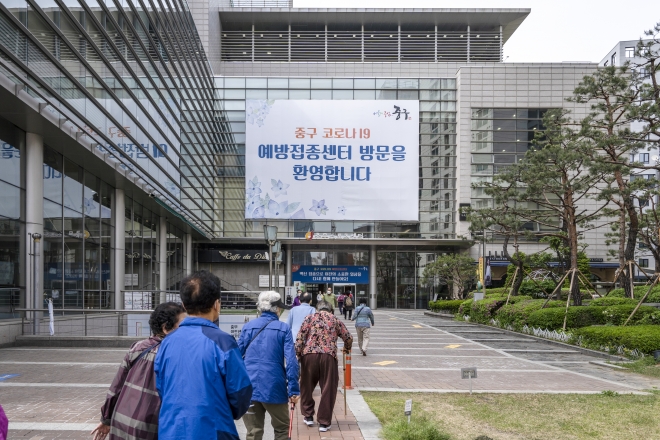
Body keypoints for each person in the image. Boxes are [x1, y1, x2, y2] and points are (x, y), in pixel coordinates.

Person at [155, 271, 253, 440]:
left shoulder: (167, 342)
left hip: (172, 430)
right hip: (213, 430)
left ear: (184, 305)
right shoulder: (222, 342)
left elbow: (161, 387)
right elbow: (240, 391)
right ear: (217, 304)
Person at [91, 302, 186, 440]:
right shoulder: (175, 353)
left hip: (122, 421)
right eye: (182, 325)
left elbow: (116, 387)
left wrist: (106, 419)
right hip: (149, 426)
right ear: (166, 328)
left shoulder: (138, 347)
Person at [238, 291, 300, 440]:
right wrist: (293, 390)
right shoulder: (283, 328)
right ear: (277, 309)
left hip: (249, 386)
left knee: (253, 432)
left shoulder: (248, 327)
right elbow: (291, 361)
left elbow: (236, 356)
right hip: (274, 386)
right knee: (282, 430)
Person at [295, 300, 353, 432]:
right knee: (328, 388)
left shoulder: (309, 318)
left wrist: (297, 354)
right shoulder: (335, 319)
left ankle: (308, 416)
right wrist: (346, 348)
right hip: (328, 356)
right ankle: (324, 422)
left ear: (317, 309)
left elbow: (300, 338)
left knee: (306, 386)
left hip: (309, 355)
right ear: (331, 310)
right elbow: (348, 337)